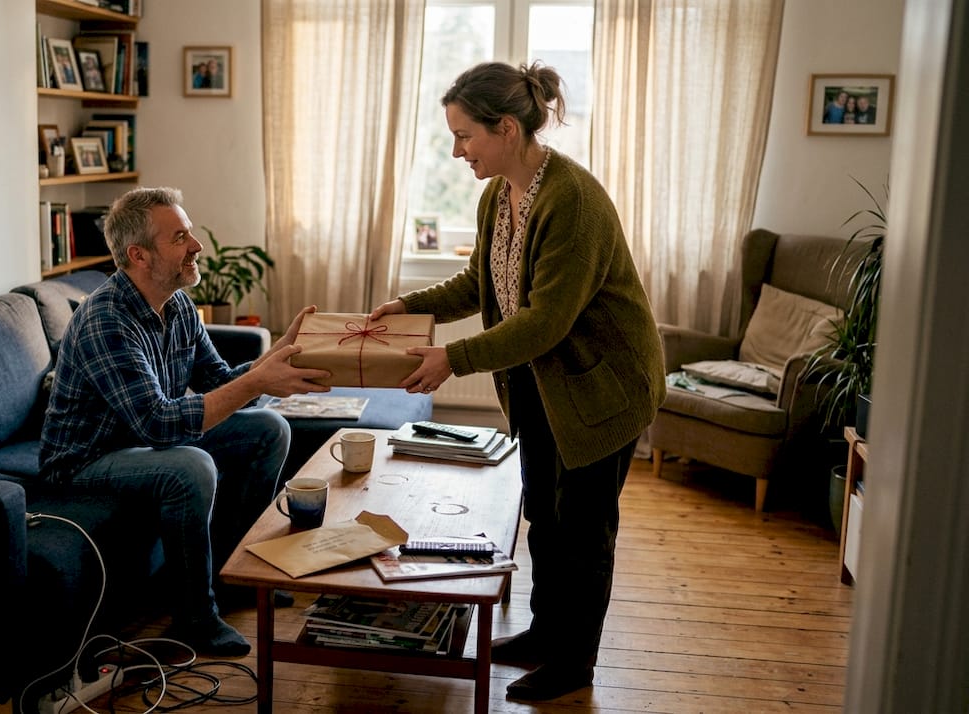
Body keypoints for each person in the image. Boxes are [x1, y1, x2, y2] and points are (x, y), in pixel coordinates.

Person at [369, 62, 665, 701]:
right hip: (541, 382)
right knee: (545, 518)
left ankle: (573, 665)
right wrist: (410, 307)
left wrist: (453, 359)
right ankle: (543, 634)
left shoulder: (572, 199)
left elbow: (546, 321)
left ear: (506, 128)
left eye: (465, 135)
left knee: (584, 531)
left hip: (603, 386)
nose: (457, 151)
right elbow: (479, 285)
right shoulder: (495, 196)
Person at [40, 186, 331, 657]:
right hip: (84, 463)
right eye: (179, 237)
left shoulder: (176, 305)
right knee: (191, 465)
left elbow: (220, 381)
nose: (196, 246)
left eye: (190, 232)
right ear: (139, 255)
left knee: (269, 430)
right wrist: (258, 382)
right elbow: (159, 424)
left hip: (140, 443)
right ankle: (195, 617)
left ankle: (236, 576)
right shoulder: (106, 321)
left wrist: (278, 353)